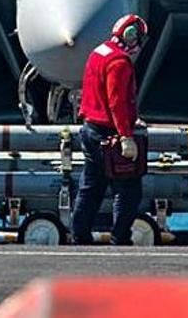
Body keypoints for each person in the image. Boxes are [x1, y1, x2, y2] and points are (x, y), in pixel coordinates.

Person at [71, 14, 148, 245]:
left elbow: (99, 95)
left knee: (91, 187)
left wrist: (132, 119)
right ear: (132, 37)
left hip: (90, 129)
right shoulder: (119, 62)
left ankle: (79, 236)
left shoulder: (99, 52)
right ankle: (120, 238)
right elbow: (116, 101)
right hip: (109, 133)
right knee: (128, 190)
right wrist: (126, 136)